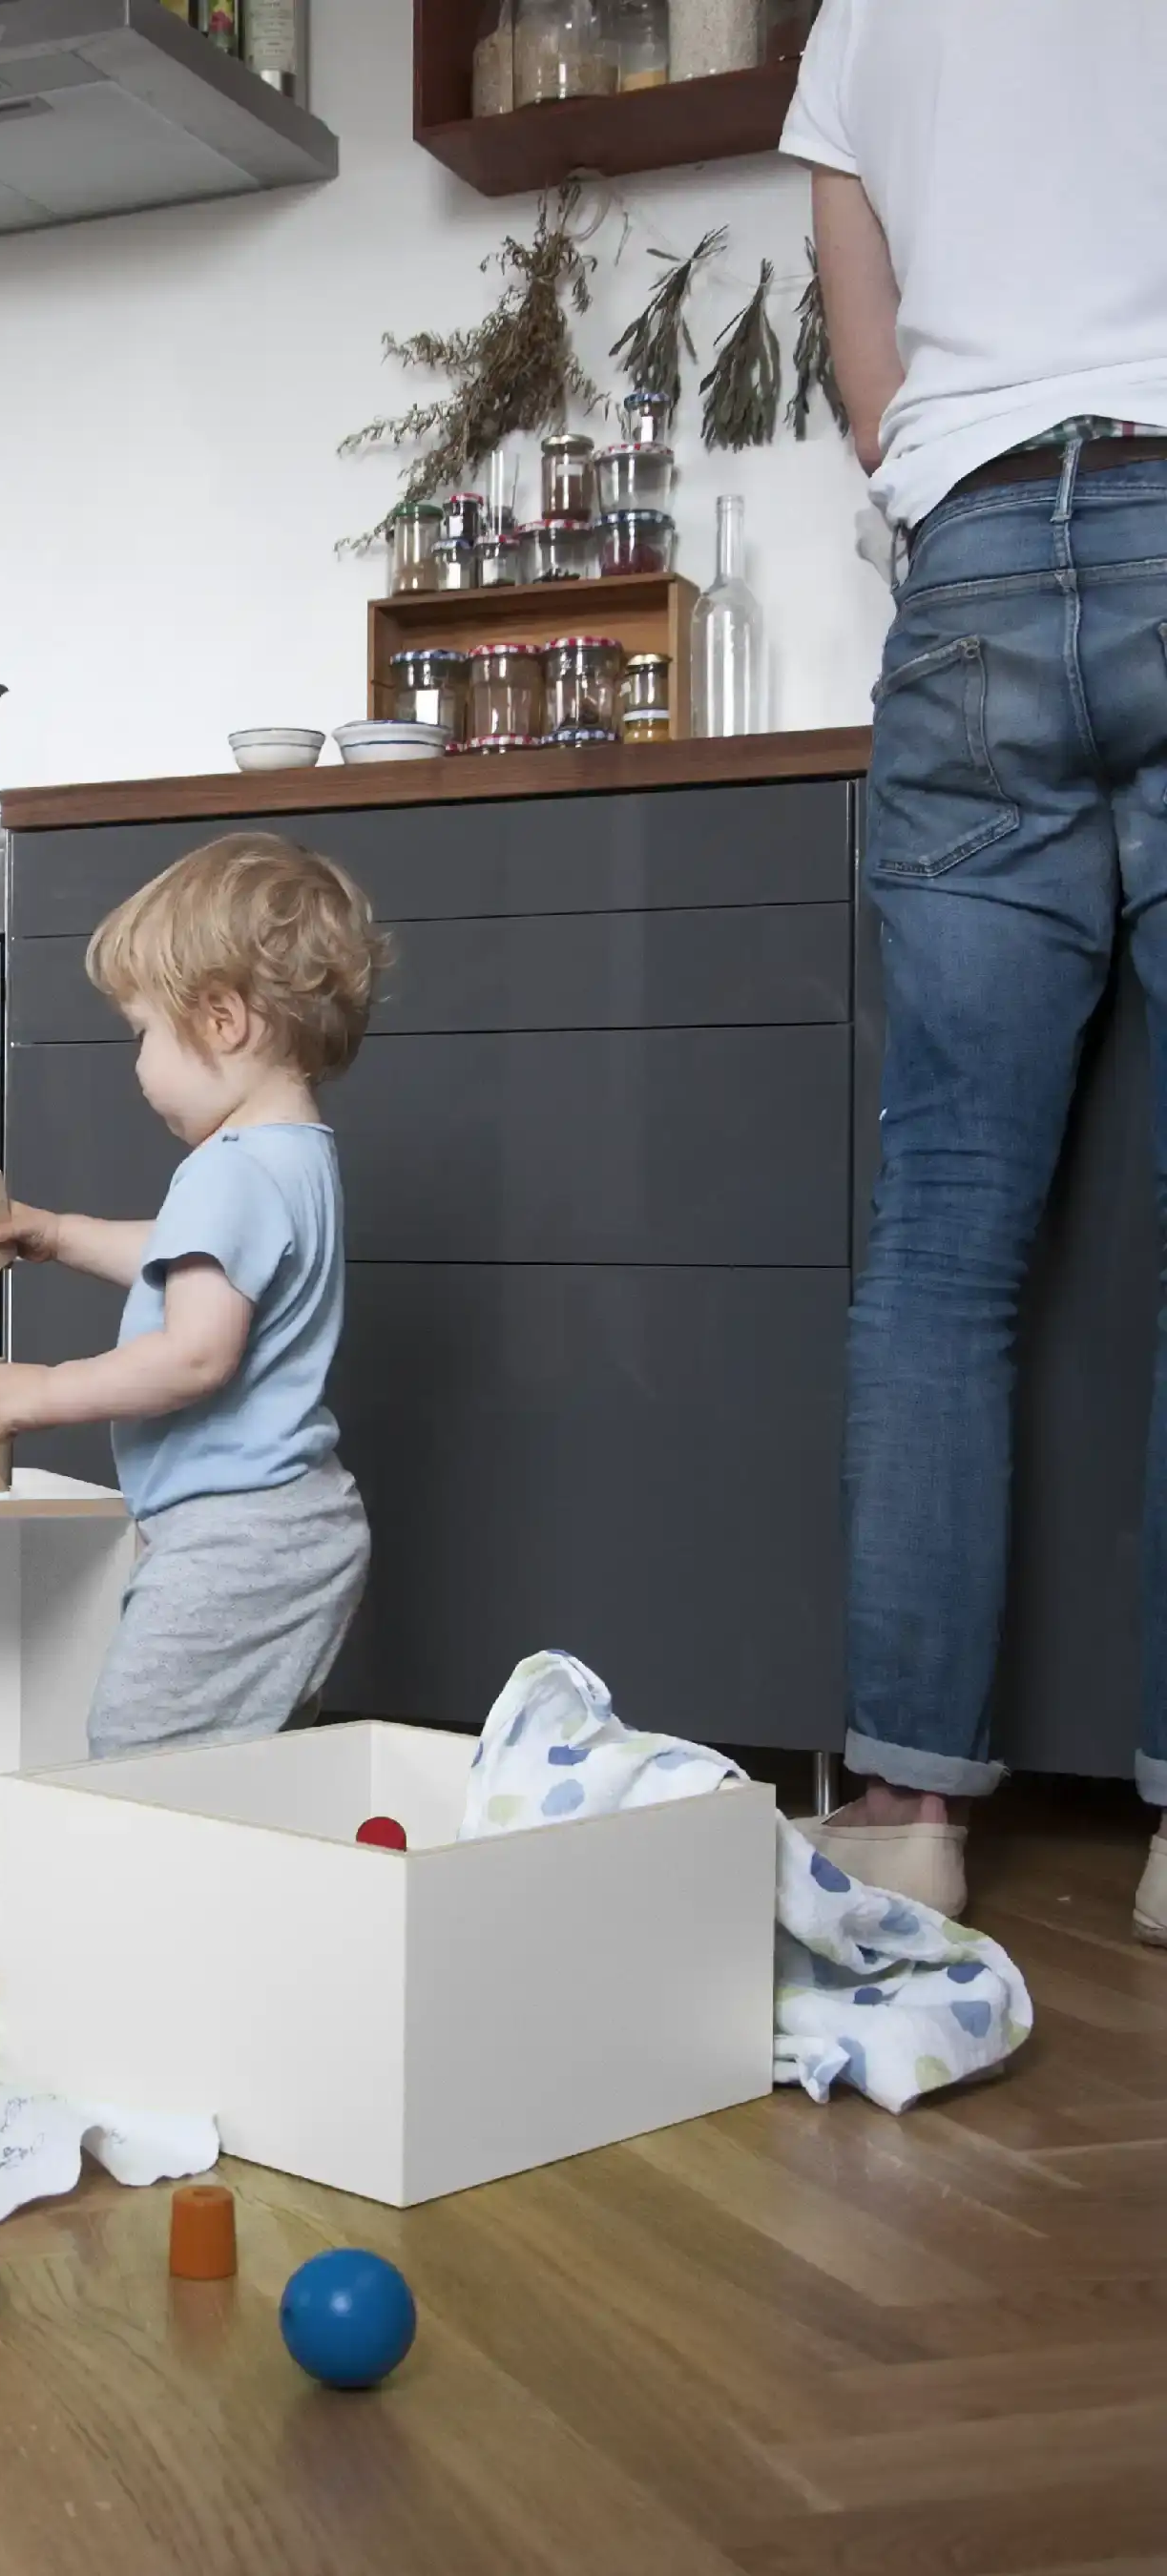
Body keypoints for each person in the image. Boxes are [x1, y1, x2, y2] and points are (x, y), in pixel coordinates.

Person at [783, 0, 1167, 1936]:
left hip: (983, 555)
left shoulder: (868, 17)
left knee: (943, 1237)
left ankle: (906, 1810)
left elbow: (872, 383)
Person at [0, 831, 383, 1756]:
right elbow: (198, 1265)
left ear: (222, 1020)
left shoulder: (227, 1168)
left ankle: (161, 1904)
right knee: (231, 1767)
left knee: (144, 1751)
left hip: (237, 1536)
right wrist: (66, 1235)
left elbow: (199, 1351)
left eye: (144, 1033)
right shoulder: (297, 1157)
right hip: (288, 1527)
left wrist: (41, 1393)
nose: (137, 1065)